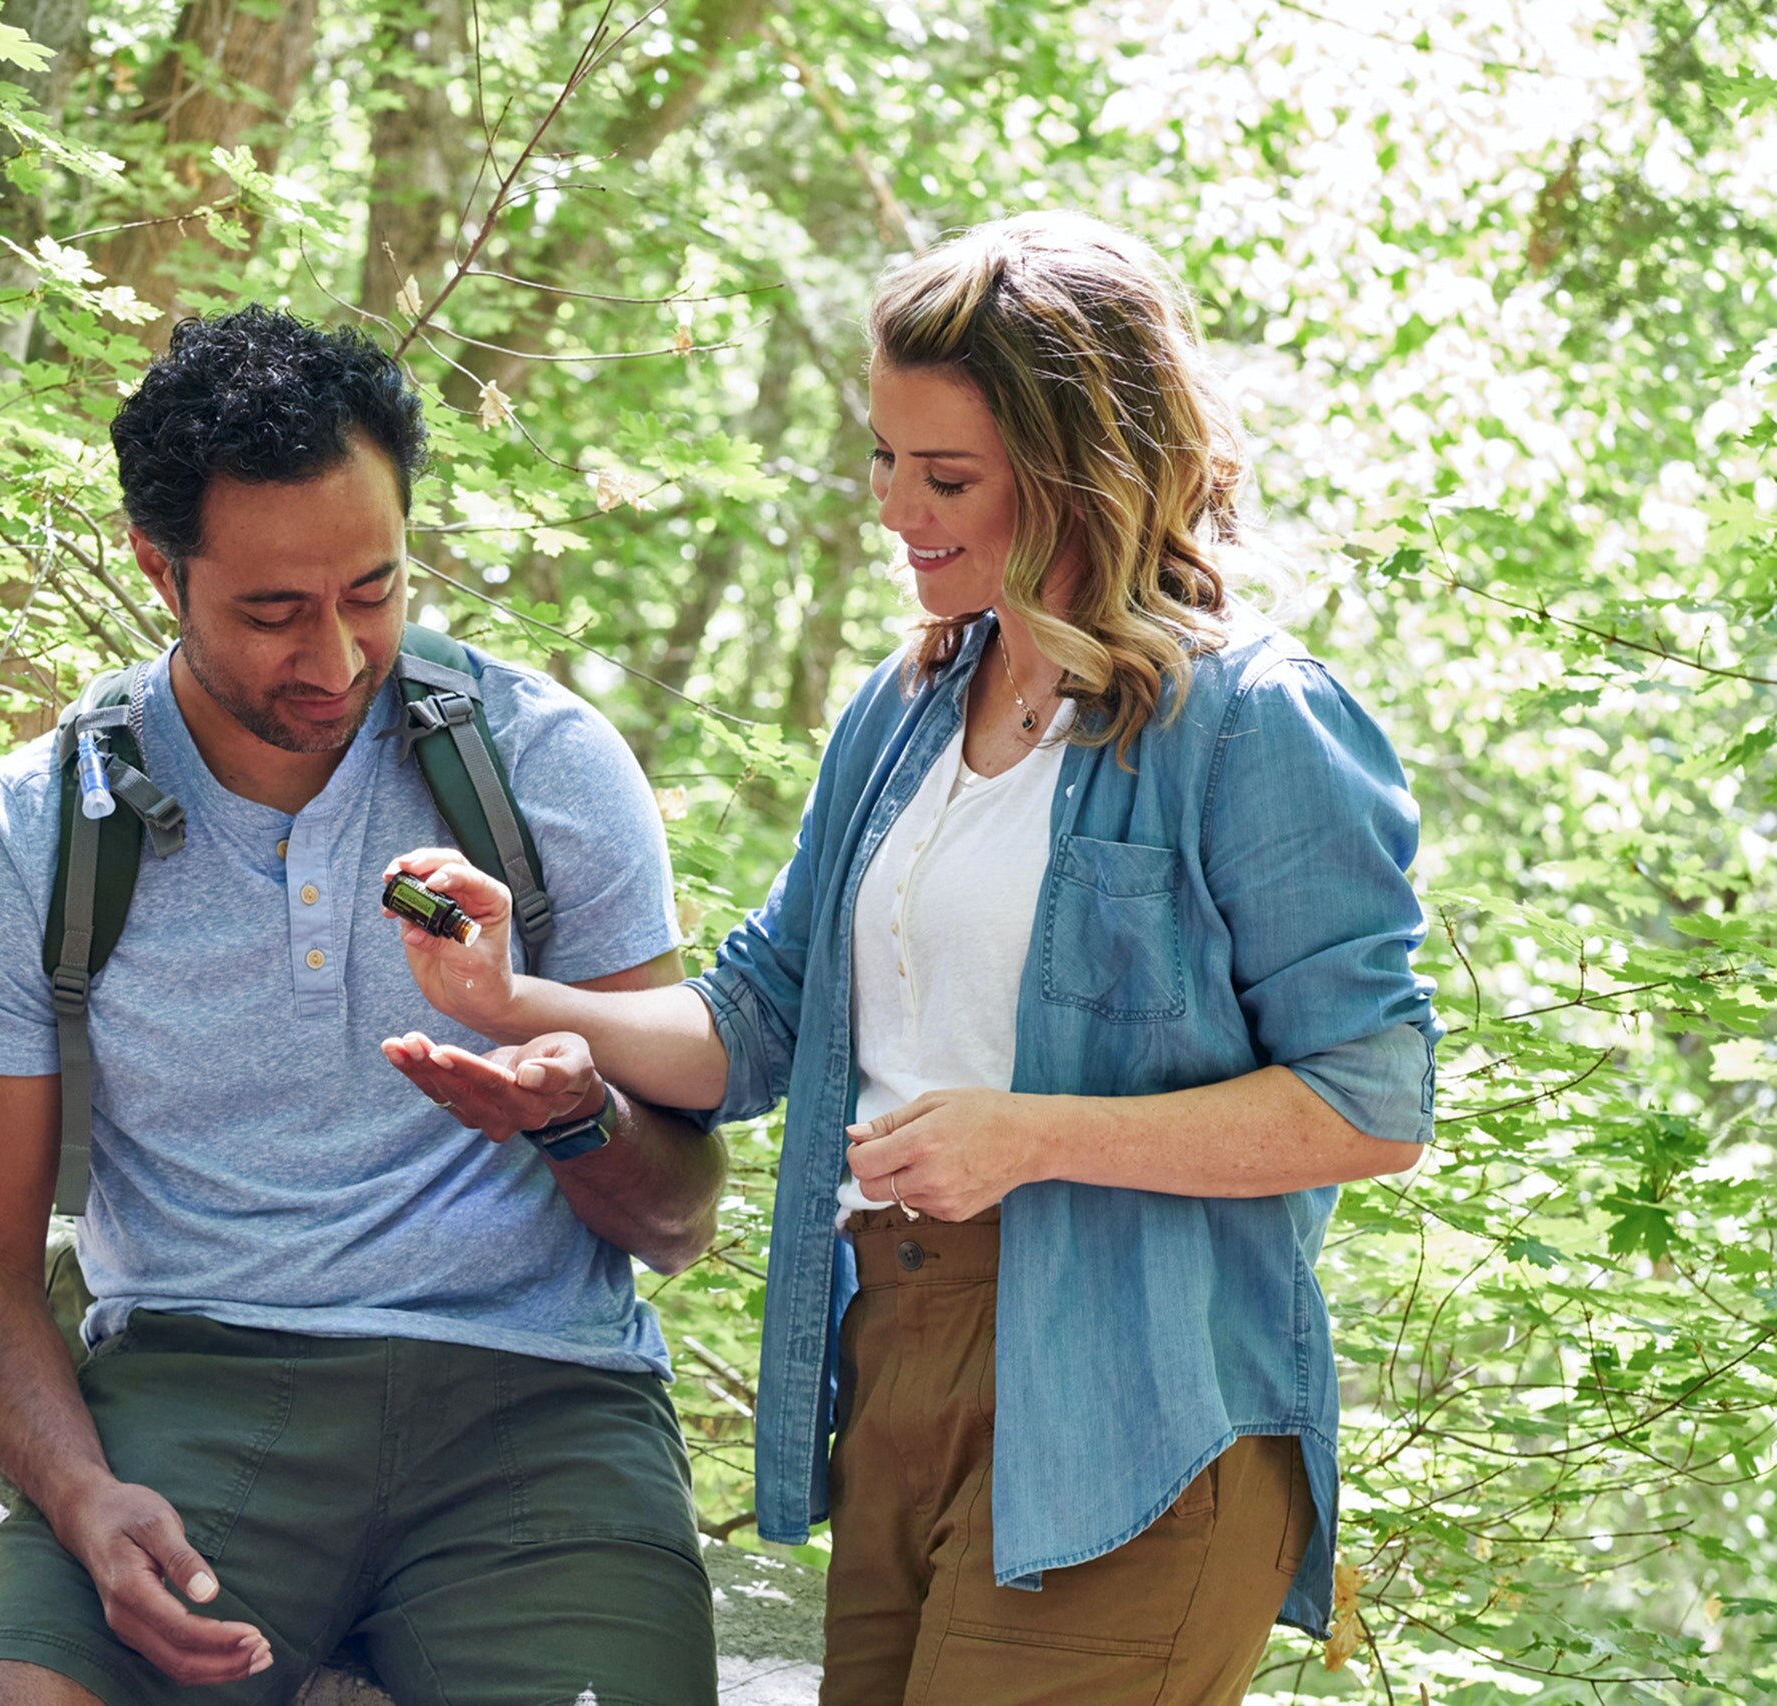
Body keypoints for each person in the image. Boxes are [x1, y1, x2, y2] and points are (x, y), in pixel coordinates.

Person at [383, 213, 1440, 1704]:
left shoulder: (1248, 719)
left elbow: (1373, 1102)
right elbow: (761, 1018)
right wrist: (515, 996)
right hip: (895, 1370)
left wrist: (1030, 1137)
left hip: (1138, 1403)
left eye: (947, 477)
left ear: (1082, 469)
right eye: (886, 459)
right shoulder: (905, 709)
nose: (894, 508)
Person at [0, 306, 728, 1706]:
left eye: (374, 590)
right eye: (274, 611)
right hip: (195, 1388)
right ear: (159, 565)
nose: (337, 658)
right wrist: (84, 1495)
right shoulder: (21, 840)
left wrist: (577, 1115)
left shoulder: (550, 773)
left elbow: (681, 1218)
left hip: (541, 1405)